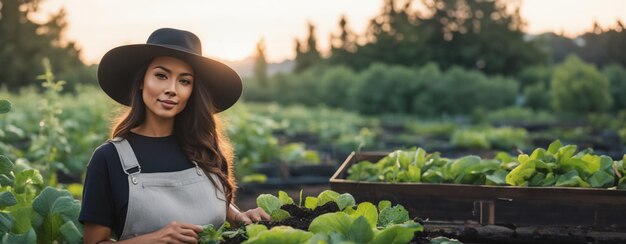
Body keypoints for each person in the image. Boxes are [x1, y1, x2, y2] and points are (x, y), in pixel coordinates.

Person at [79, 28, 271, 243]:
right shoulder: (108, 158)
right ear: (142, 81)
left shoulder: (206, 149)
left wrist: (238, 216)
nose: (172, 89)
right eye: (161, 75)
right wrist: (154, 239)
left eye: (184, 81)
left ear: (192, 91)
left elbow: (216, 205)